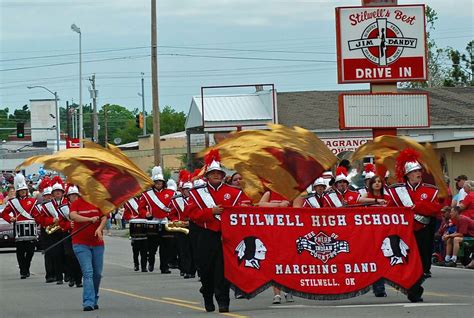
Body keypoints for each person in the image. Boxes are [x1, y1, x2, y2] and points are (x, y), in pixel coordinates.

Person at [185, 150, 243, 313]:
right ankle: (207, 294)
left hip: (226, 236)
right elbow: (192, 214)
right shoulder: (197, 193)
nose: (216, 175)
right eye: (213, 173)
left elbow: (239, 214)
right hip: (205, 235)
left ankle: (223, 302)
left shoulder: (234, 193)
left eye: (219, 173)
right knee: (206, 269)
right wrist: (211, 212)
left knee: (223, 270)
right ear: (207, 176)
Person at [387, 149, 442, 302]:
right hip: (405, 232)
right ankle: (414, 291)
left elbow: (435, 209)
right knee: (409, 262)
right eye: (415, 171)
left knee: (423, 264)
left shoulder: (430, 191)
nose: (419, 173)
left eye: (419, 170)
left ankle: (415, 287)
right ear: (408, 175)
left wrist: (415, 206)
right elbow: (390, 211)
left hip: (424, 231)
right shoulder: (397, 191)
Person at [69, 195, 107, 312]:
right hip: (80, 243)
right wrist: (89, 219)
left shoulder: (99, 202)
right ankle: (88, 302)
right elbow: (73, 216)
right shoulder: (76, 203)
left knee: (97, 273)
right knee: (88, 272)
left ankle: (94, 298)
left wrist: (99, 228)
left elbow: (104, 217)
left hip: (97, 243)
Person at [1, 173, 41, 279]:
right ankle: (23, 271)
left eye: (25, 190)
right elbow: (4, 213)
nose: (23, 192)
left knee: (30, 251)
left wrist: (36, 219)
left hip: (30, 229)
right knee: (20, 251)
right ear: (18, 192)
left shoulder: (33, 201)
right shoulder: (13, 202)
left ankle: (26, 267)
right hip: (19, 229)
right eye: (21, 191)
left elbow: (37, 214)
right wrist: (10, 219)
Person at [259, 189, 293, 304]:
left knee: (288, 263)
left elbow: (299, 209)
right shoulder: (270, 192)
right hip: (272, 232)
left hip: (289, 232)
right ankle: (277, 294)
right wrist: (278, 205)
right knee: (274, 262)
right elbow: (261, 204)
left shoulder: (294, 192)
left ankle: (289, 290)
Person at [138, 166, 175, 273]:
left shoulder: (171, 193)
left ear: (163, 183)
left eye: (160, 182)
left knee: (165, 246)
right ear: (153, 183)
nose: (158, 184)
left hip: (165, 222)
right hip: (152, 222)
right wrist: (146, 213)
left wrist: (171, 216)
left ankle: (164, 267)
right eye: (156, 182)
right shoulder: (146, 195)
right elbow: (140, 208)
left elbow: (174, 207)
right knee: (152, 246)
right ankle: (151, 262)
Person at [359, 174, 391, 297]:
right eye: (374, 182)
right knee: (374, 259)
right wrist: (376, 201)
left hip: (385, 232)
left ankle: (381, 287)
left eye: (379, 181)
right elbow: (359, 200)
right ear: (370, 184)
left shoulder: (388, 197)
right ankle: (377, 287)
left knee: (383, 259)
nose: (377, 183)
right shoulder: (367, 196)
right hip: (370, 232)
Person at [62, 185, 83, 287]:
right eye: (71, 195)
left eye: (75, 195)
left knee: (78, 257)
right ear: (68, 196)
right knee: (69, 256)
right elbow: (61, 222)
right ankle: (71, 277)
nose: (73, 197)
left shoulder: (82, 205)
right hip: (68, 234)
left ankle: (78, 279)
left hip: (80, 234)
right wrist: (68, 225)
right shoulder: (64, 207)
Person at [125, 195, 148, 272]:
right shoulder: (129, 201)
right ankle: (136, 264)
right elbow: (126, 214)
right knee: (136, 249)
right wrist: (130, 217)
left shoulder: (147, 198)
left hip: (145, 225)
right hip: (135, 226)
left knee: (144, 248)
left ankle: (144, 266)